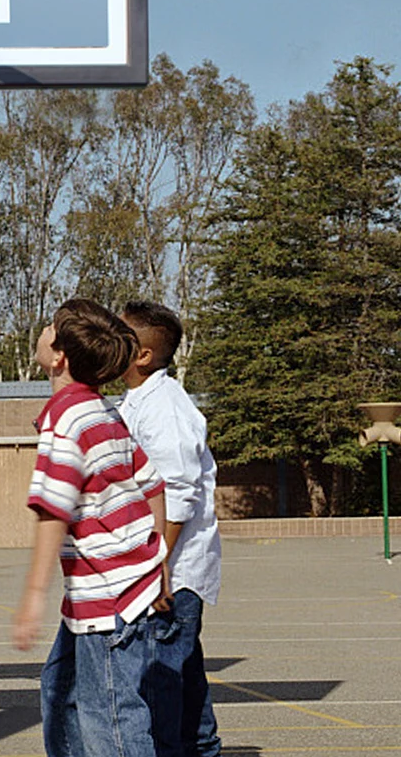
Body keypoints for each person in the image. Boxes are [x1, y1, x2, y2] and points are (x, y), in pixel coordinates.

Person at [13, 297, 169, 757]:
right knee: (60, 693)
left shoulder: (68, 420)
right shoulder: (102, 411)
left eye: (49, 328)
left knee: (113, 720)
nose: (42, 331)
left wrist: (33, 598)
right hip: (120, 587)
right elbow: (153, 485)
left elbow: (52, 512)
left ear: (58, 355)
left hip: (107, 597)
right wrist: (158, 561)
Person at [119, 300, 221, 757]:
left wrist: (158, 568)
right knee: (183, 685)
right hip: (162, 571)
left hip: (171, 576)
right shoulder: (139, 401)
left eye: (118, 337)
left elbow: (178, 493)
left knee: (162, 693)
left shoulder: (165, 408)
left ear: (143, 355)